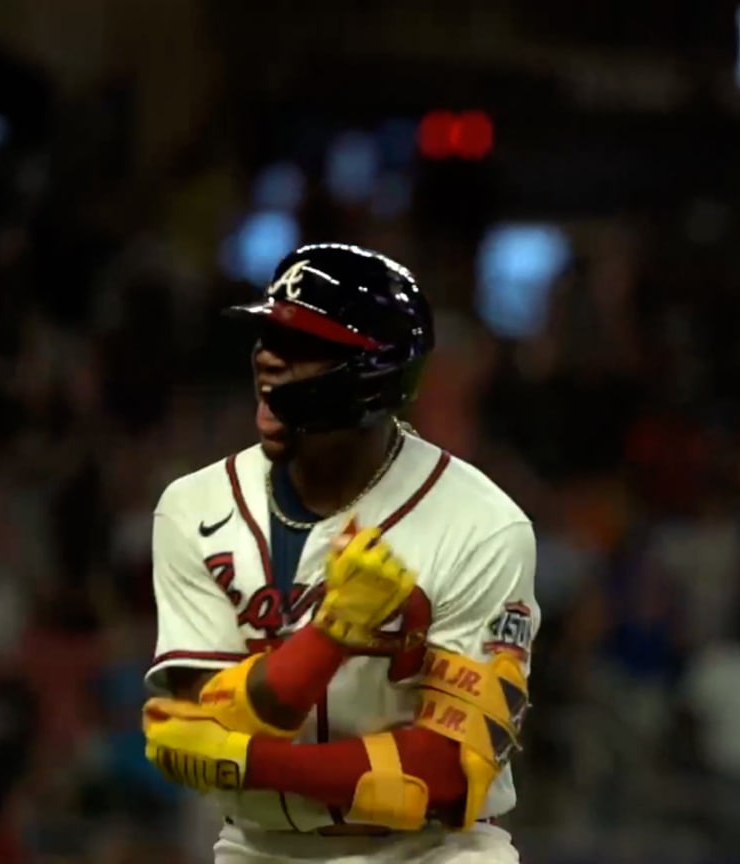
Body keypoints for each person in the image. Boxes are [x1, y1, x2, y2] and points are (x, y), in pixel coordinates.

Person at [139, 244, 538, 864]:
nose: (268, 356)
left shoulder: (483, 525)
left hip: (434, 852)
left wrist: (249, 759)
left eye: (300, 345)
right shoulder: (193, 507)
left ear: (372, 374)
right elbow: (189, 725)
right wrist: (330, 637)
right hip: (257, 848)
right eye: (268, 334)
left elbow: (449, 770)